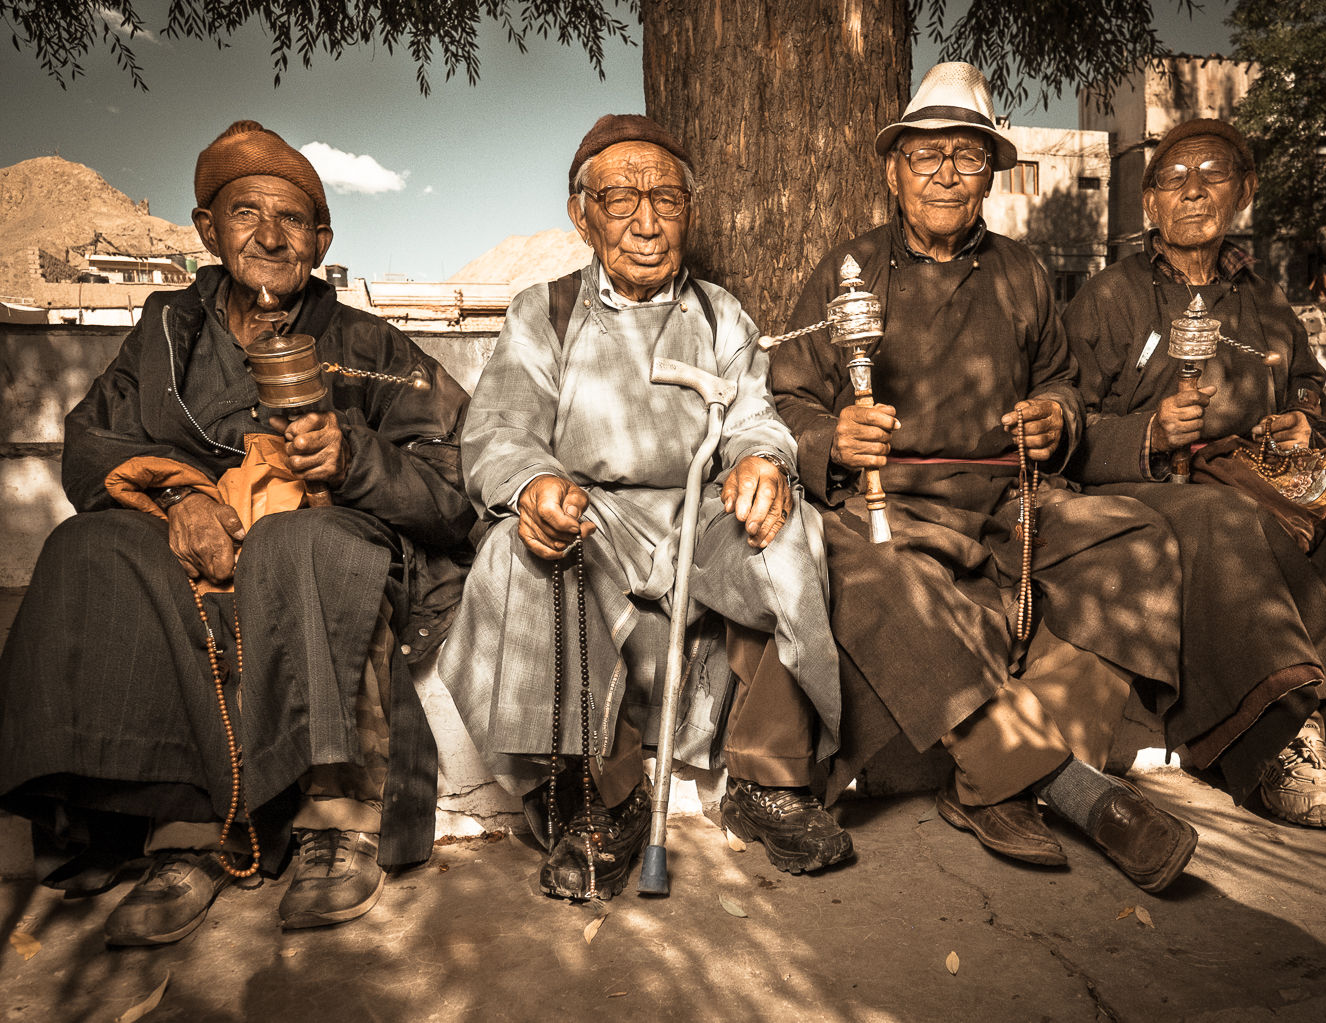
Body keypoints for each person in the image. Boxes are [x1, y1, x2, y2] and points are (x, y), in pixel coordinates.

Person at [0, 120, 474, 944]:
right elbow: (92, 442)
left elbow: (451, 485)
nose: (267, 234)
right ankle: (182, 836)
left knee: (299, 546)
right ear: (206, 229)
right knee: (92, 549)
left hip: (322, 537)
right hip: (193, 536)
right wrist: (182, 493)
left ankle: (337, 823)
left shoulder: (370, 346)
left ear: (322, 241)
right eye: (244, 212)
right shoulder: (161, 334)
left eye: (292, 220)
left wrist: (352, 457)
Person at [770, 63, 1198, 894]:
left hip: (1009, 502)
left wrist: (1056, 417)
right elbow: (781, 399)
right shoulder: (847, 270)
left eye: (966, 158)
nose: (944, 175)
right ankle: (1053, 782)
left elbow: (1063, 382)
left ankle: (989, 780)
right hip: (884, 506)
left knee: (1140, 549)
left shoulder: (1022, 271)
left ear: (991, 176)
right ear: (893, 171)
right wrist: (834, 435)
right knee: (867, 572)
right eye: (926, 157)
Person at [438, 114, 848, 900]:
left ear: (689, 209)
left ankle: (770, 782)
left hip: (702, 511)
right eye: (620, 198)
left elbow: (756, 413)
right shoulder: (546, 311)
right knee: (513, 551)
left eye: (665, 196)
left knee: (791, 525)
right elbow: (496, 433)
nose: (647, 220)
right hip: (597, 518)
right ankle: (607, 798)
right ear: (581, 213)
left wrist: (763, 459)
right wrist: (534, 485)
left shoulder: (723, 314)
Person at [1064, 117, 1326, 829]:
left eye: (1214, 173)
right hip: (1168, 483)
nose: (1195, 190)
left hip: (1270, 474)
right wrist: (1146, 431)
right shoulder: (1109, 297)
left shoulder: (1264, 301)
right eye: (1175, 177)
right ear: (1150, 202)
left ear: (1243, 190)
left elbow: (1306, 385)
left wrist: (1305, 422)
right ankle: (1279, 735)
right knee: (1235, 521)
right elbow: (1067, 418)